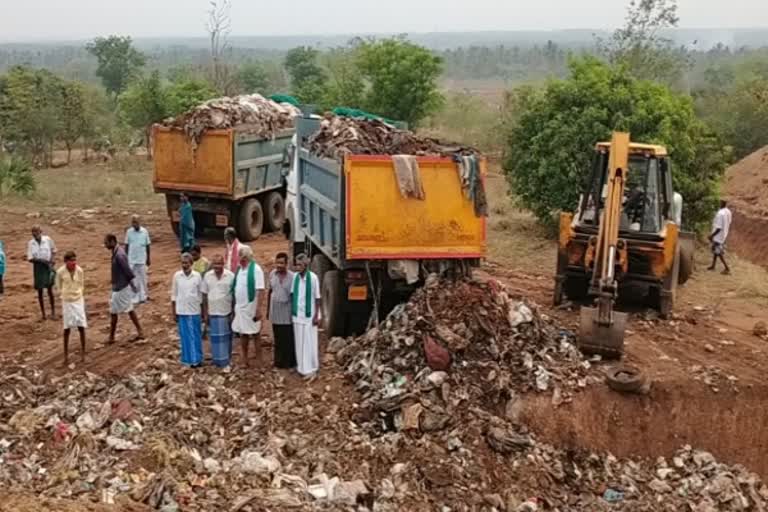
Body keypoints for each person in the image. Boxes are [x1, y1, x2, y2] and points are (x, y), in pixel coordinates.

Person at [105, 234, 144, 344]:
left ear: (112, 241)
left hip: (121, 288)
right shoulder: (117, 253)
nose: (105, 245)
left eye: (106, 242)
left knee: (125, 310)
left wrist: (132, 284)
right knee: (120, 310)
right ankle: (112, 337)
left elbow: (127, 271)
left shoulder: (119, 255)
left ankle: (139, 331)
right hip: (118, 287)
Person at [231, 245, 265, 368]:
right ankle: (245, 359)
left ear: (249, 258)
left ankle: (260, 360)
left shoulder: (256, 269)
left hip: (251, 307)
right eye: (240, 257)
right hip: (240, 307)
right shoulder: (239, 270)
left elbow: (261, 290)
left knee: (255, 333)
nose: (241, 260)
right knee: (243, 333)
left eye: (244, 258)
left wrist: (258, 309)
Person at [202, 254, 235, 370]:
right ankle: (217, 360)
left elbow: (234, 295)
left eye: (219, 264)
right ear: (212, 264)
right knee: (215, 338)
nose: (217, 266)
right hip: (213, 312)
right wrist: (205, 313)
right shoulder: (207, 276)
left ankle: (226, 360)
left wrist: (233, 312)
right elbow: (204, 295)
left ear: (223, 264)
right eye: (215, 264)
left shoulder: (230, 276)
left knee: (227, 337)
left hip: (226, 312)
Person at [291, 253, 321, 379]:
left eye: (300, 265)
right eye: (296, 265)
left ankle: (312, 368)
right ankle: (301, 367)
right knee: (299, 341)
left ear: (306, 265)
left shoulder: (313, 278)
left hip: (310, 315)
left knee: (309, 341)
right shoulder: (295, 278)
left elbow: (317, 298)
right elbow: (293, 294)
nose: (298, 267)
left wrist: (316, 315)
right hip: (298, 314)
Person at [171, 253, 204, 367]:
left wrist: (203, 311)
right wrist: (174, 312)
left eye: (186, 263)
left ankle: (197, 359)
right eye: (183, 263)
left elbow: (201, 295)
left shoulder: (197, 276)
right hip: (182, 310)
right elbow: (174, 295)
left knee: (195, 335)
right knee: (184, 336)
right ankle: (187, 359)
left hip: (194, 310)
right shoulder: (177, 276)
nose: (184, 265)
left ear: (191, 263)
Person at [55, 251, 87, 365]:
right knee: (67, 328)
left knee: (81, 326)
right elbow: (58, 286)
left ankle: (83, 354)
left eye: (74, 260)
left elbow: (82, 284)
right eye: (71, 260)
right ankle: (66, 356)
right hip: (67, 302)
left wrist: (78, 294)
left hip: (78, 300)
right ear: (66, 262)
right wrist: (64, 295)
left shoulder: (80, 270)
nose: (73, 262)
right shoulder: (60, 272)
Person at [267, 252, 297, 369]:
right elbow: (270, 291)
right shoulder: (272, 275)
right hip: (275, 311)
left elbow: (295, 295)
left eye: (281, 263)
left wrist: (295, 312)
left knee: (288, 337)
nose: (279, 265)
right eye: (277, 262)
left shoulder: (293, 277)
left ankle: (289, 362)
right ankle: (278, 362)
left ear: (286, 264)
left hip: (287, 310)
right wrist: (268, 310)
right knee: (278, 337)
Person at [27, 225, 57, 320]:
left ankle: (53, 312)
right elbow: (30, 258)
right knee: (40, 291)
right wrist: (41, 261)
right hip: (38, 268)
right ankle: (43, 314)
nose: (35, 234)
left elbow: (53, 251)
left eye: (36, 231)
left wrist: (51, 262)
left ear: (41, 232)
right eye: (33, 232)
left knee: (50, 290)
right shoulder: (31, 243)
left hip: (48, 265)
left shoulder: (47, 240)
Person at [125, 214, 151, 304]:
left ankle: (143, 296)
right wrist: (126, 258)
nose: (134, 224)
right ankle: (134, 297)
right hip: (132, 259)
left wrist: (148, 258)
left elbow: (148, 245)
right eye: (133, 222)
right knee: (133, 279)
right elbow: (127, 245)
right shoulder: (129, 232)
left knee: (143, 278)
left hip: (142, 259)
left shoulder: (144, 232)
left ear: (140, 222)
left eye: (136, 222)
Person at [708, 200, 733, 275]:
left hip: (718, 235)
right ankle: (713, 266)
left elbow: (718, 228)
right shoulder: (728, 211)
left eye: (719, 202)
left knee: (718, 252)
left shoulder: (720, 213)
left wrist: (711, 236)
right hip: (724, 234)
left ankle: (727, 268)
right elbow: (729, 222)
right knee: (715, 250)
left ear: (721, 203)